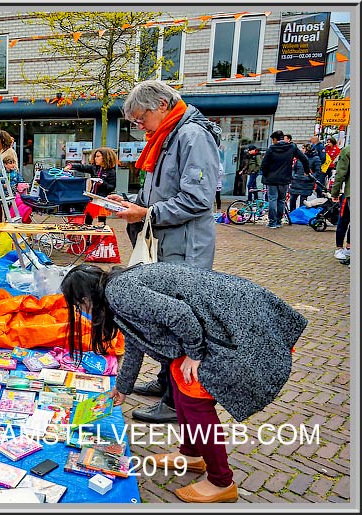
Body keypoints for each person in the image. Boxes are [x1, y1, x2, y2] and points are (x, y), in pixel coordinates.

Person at [60, 262, 307, 503]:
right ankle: (191, 453)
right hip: (214, 323)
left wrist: (194, 353)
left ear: (85, 297)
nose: (81, 310)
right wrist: (122, 387)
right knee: (180, 390)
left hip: (227, 325)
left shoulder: (119, 292)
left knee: (195, 402)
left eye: (78, 304)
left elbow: (180, 314)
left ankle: (222, 482)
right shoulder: (115, 289)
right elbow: (135, 341)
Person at [106, 80, 221, 425]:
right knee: (160, 316)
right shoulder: (167, 136)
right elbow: (158, 192)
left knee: (176, 318)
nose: (139, 128)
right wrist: (132, 205)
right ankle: (164, 381)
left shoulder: (192, 137)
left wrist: (147, 213)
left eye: (141, 119)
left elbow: (197, 200)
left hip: (185, 247)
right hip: (167, 242)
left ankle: (177, 399)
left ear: (161, 106)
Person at [261, 130, 309, 228]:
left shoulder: (271, 149)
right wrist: (306, 170)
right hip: (284, 178)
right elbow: (304, 159)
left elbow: (264, 164)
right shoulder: (292, 148)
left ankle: (272, 222)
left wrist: (265, 174)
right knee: (281, 200)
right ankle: (278, 221)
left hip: (271, 179)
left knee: (272, 199)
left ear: (275, 139)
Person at [66, 147, 118, 226]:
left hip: (102, 199)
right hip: (93, 198)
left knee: (101, 222)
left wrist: (102, 183)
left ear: (105, 158)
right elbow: (82, 167)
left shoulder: (111, 172)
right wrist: (71, 166)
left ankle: (100, 237)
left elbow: (112, 187)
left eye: (98, 156)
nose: (95, 158)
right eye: (95, 156)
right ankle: (87, 237)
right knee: (88, 221)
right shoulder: (94, 168)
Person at [0, 130, 18, 223]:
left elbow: (15, 166)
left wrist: (1, 163)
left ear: (2, 139)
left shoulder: (10, 151)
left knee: (7, 203)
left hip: (5, 181)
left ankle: (8, 222)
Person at [330, 145, 351, 264]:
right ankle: (349, 247)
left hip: (351, 193)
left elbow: (340, 174)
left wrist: (335, 192)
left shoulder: (348, 150)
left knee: (343, 220)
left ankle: (340, 248)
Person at [289, 144, 318, 212]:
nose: (302, 150)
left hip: (306, 183)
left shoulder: (315, 159)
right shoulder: (299, 158)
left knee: (303, 201)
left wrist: (310, 178)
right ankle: (292, 214)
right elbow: (294, 168)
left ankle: (300, 215)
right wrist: (293, 176)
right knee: (292, 199)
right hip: (296, 181)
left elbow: (317, 172)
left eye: (303, 148)